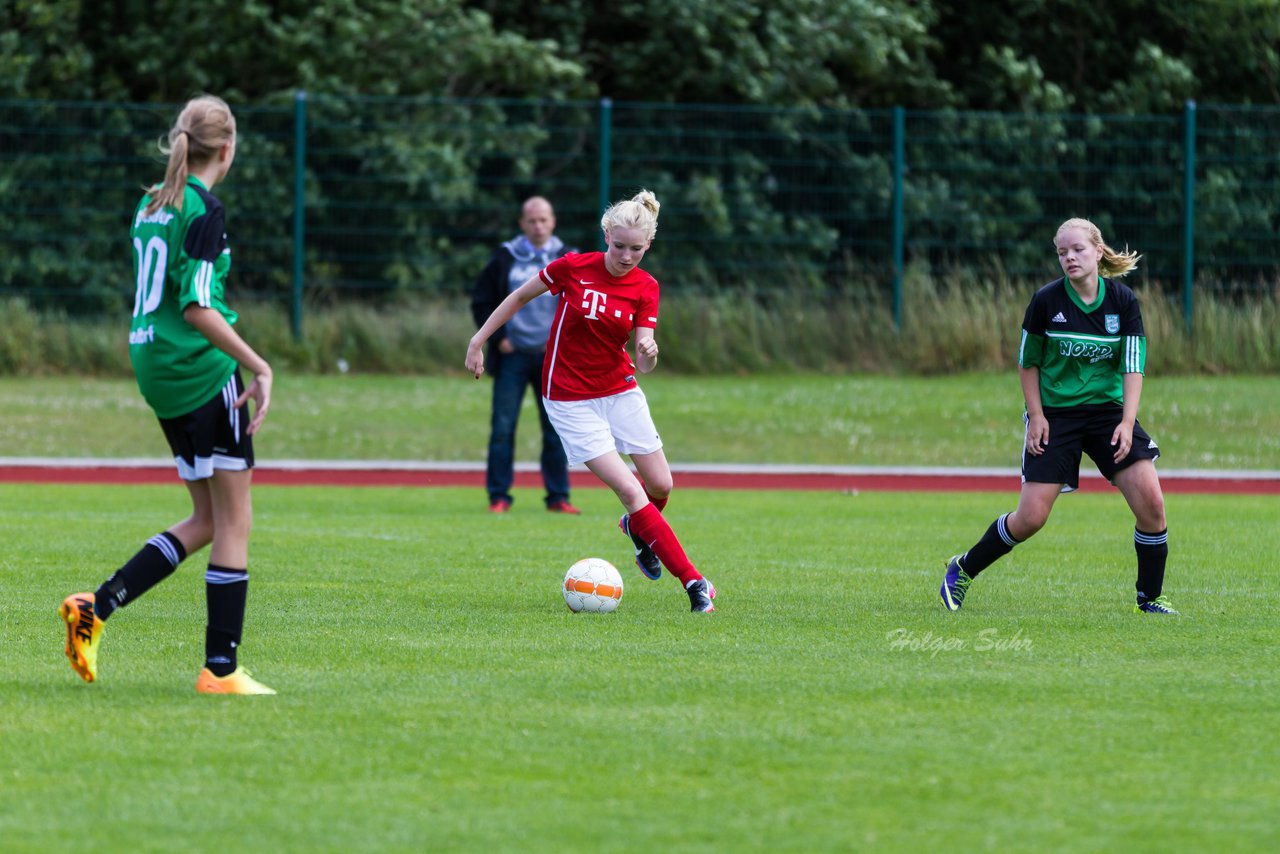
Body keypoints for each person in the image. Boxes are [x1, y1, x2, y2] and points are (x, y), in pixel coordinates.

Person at [60, 95, 277, 694]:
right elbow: (197, 305)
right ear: (227, 150)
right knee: (235, 518)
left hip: (154, 363)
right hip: (197, 368)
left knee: (206, 518)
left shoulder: (151, 202)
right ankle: (222, 671)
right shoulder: (204, 208)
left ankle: (95, 607)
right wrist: (257, 364)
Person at [465, 189, 716, 612]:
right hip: (569, 399)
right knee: (632, 491)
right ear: (606, 236)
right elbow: (519, 297)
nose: (626, 256)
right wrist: (478, 341)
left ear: (649, 244)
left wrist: (648, 355)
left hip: (619, 391)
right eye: (619, 246)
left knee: (661, 485)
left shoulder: (647, 287)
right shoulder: (572, 268)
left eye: (636, 248)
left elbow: (644, 353)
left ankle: (638, 531)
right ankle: (695, 583)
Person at [939, 217, 1175, 615]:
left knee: (1152, 503)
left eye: (1077, 250)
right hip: (1057, 416)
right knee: (1031, 518)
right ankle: (962, 569)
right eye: (1062, 252)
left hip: (1108, 415)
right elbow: (1027, 363)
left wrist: (1127, 422)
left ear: (1098, 251)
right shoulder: (1047, 301)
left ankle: (1149, 599)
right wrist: (1037, 416)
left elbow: (1133, 365)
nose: (1069, 258)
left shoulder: (1122, 302)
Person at [470, 196, 580, 515]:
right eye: (532, 220)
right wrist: (499, 338)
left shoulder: (568, 258)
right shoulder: (505, 257)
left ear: (553, 221)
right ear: (522, 224)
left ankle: (558, 497)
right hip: (512, 357)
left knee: (555, 429)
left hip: (553, 359)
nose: (538, 226)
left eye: (543, 220)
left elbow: (579, 305)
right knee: (503, 427)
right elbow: (481, 300)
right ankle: (499, 497)